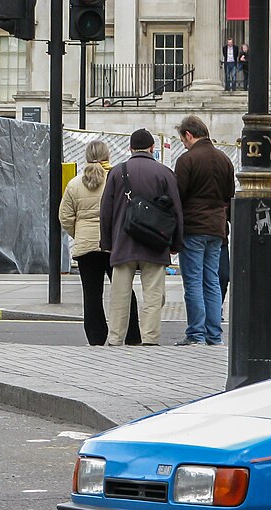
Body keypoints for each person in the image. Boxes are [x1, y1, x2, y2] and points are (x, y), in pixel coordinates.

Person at [99, 128, 183, 347]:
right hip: (155, 243)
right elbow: (176, 211)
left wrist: (107, 243)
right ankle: (150, 338)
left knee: (120, 295)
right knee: (153, 295)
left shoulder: (117, 172)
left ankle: (115, 338)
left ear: (130, 148)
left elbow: (106, 210)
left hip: (123, 242)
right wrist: (175, 243)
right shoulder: (165, 173)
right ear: (152, 148)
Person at [59, 140, 140, 346]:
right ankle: (132, 336)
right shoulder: (117, 180)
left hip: (86, 247)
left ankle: (96, 339)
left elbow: (65, 217)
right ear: (108, 156)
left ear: (87, 156)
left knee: (92, 295)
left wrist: (79, 234)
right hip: (114, 244)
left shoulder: (74, 184)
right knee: (124, 291)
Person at [173, 115, 234, 346]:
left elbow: (178, 196)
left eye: (183, 140)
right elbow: (229, 195)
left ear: (189, 135)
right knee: (212, 281)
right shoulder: (224, 160)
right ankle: (214, 334)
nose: (184, 145)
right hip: (217, 227)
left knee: (193, 281)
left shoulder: (187, 160)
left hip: (193, 227)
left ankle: (196, 333)